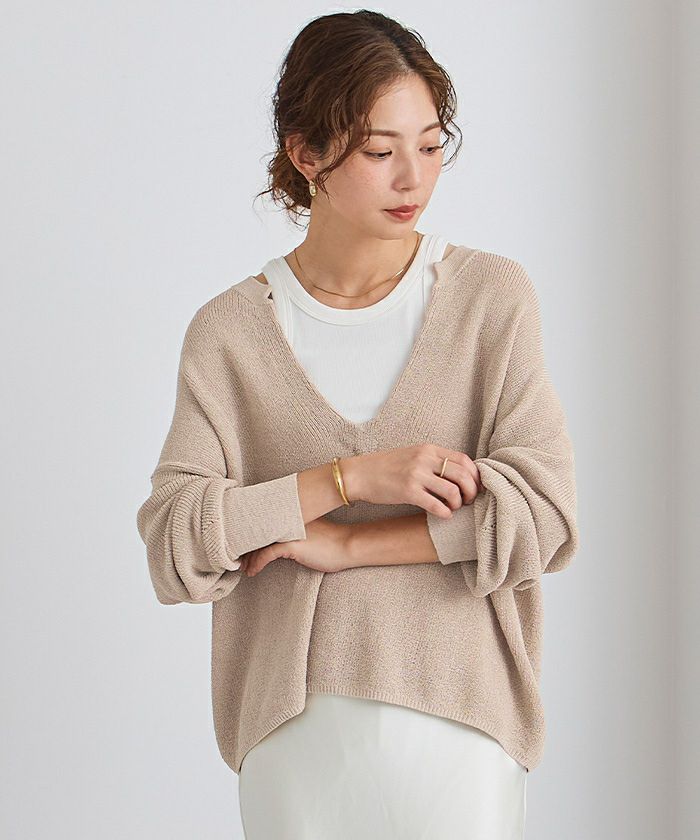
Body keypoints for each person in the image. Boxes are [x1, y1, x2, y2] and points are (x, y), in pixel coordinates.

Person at [136, 10, 580, 840]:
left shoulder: (491, 300)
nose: (413, 177)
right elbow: (175, 545)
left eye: (432, 144)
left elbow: (543, 517)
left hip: (463, 727)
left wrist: (346, 545)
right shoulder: (229, 333)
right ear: (306, 154)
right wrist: (344, 481)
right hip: (295, 736)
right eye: (379, 152)